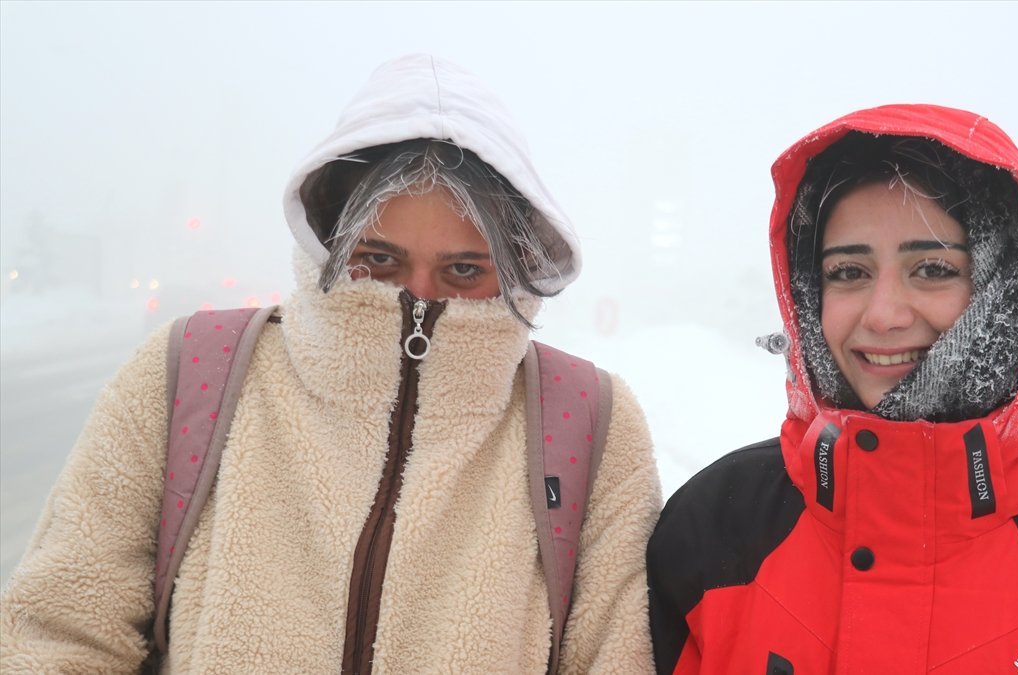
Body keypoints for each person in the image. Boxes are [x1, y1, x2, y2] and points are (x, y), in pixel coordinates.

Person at [0, 54, 661, 673]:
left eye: (464, 269)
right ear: (327, 247)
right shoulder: (187, 375)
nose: (419, 294)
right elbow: (58, 633)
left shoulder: (590, 426)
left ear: (517, 267)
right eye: (379, 258)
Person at [647, 104, 1018, 674]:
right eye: (848, 272)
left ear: (1004, 288)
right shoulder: (712, 529)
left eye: (932, 269)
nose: (883, 314)